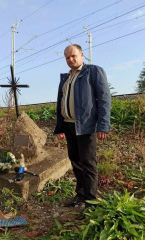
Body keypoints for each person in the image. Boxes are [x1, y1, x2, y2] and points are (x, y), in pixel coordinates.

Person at [54, 44, 111, 220]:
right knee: (76, 162)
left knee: (88, 164)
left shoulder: (93, 72)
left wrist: (103, 125)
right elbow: (61, 103)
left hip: (86, 126)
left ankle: (91, 202)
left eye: (73, 56)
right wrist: (60, 127)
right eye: (67, 58)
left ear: (81, 54)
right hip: (70, 126)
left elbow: (104, 98)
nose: (70, 60)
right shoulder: (66, 78)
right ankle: (80, 194)